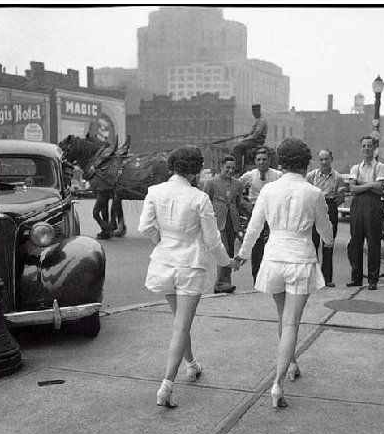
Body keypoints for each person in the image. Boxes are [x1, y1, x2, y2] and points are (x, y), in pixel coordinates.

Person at [232, 138, 333, 408]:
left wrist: (242, 254)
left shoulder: (268, 190)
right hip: (300, 259)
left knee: (282, 316)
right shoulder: (313, 193)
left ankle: (291, 363)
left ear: (281, 162)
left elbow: (254, 228)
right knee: (291, 322)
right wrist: (329, 240)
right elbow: (325, 228)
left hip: (274, 257)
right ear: (306, 161)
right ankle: (277, 383)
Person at [138, 146, 233, 408]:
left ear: (172, 167)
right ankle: (167, 385)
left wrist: (162, 241)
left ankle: (191, 364)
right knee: (181, 325)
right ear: (194, 170)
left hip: (164, 263)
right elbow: (213, 242)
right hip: (190, 266)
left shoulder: (154, 192)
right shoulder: (199, 198)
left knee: (180, 322)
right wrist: (228, 263)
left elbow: (145, 227)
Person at [202, 155, 251, 293]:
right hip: (218, 222)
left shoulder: (237, 184)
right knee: (224, 251)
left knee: (230, 250)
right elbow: (205, 202)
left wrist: (249, 207)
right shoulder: (211, 183)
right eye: (227, 168)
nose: (230, 171)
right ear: (221, 167)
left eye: (233, 168)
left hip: (233, 222)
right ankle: (222, 283)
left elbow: (238, 202)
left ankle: (224, 282)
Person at [346, 136, 384, 290]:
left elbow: (380, 189)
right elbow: (352, 188)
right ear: (361, 148)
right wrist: (372, 184)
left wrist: (361, 183)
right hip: (358, 205)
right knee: (356, 241)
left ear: (374, 148)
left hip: (374, 205)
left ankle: (373, 280)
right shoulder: (355, 168)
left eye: (369, 146)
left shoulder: (380, 167)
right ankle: (356, 278)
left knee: (373, 243)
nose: (366, 148)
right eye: (364, 146)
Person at [239, 147, 283, 281]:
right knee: (256, 244)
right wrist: (243, 201)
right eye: (258, 160)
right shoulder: (249, 175)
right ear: (255, 161)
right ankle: (257, 277)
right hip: (255, 210)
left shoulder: (277, 175)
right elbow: (236, 189)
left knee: (273, 242)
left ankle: (272, 277)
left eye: (264, 159)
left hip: (272, 212)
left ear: (269, 160)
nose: (261, 162)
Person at [306, 149, 345, 287]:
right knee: (313, 243)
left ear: (331, 159)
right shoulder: (311, 176)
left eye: (326, 159)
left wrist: (330, 206)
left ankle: (327, 278)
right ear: (318, 161)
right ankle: (314, 278)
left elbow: (341, 198)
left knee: (328, 244)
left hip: (330, 207)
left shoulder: (338, 177)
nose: (324, 162)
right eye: (321, 159)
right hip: (314, 209)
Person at [232, 104, 268, 169]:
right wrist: (247, 135)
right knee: (240, 146)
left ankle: (238, 169)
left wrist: (245, 139)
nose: (254, 113)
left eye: (255, 111)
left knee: (237, 147)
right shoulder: (258, 120)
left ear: (259, 111)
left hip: (257, 141)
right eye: (253, 111)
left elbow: (256, 135)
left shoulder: (262, 121)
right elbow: (252, 132)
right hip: (254, 140)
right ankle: (244, 163)